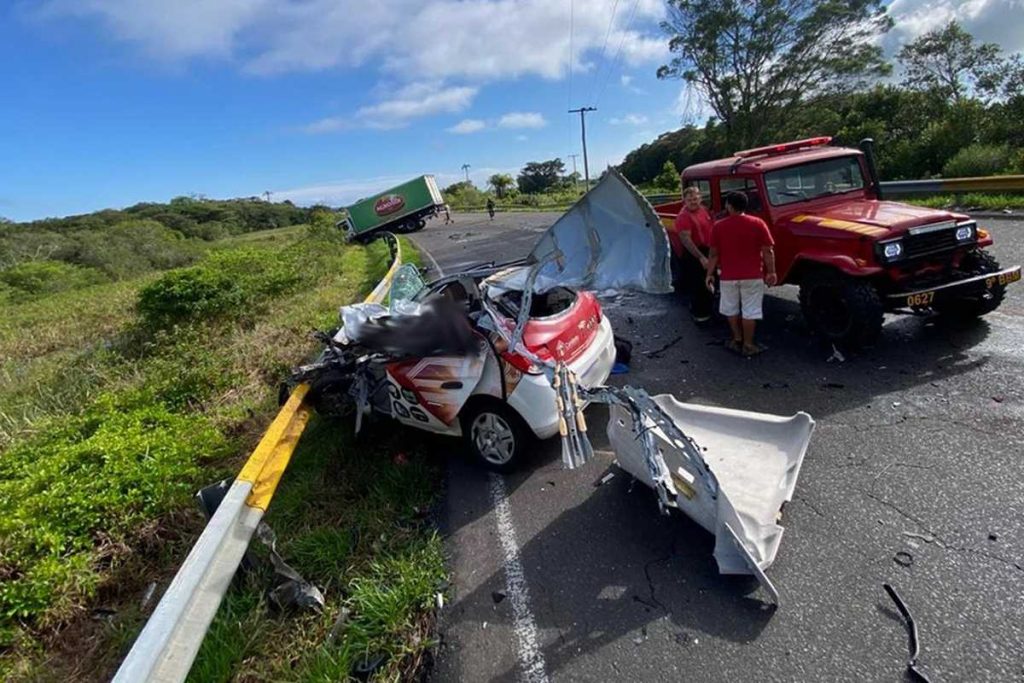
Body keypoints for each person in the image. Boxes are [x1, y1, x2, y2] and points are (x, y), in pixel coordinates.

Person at [704, 191, 777, 357]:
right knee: (750, 310)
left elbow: (714, 254)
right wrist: (771, 271)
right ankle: (749, 344)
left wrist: (709, 274)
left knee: (731, 309)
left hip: (728, 276)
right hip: (752, 275)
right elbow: (768, 250)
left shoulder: (719, 226)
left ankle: (736, 339)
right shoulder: (758, 223)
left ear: (729, 206)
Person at [672, 186, 714, 322]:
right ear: (684, 200)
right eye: (689, 200)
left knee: (710, 280)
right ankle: (700, 315)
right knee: (698, 284)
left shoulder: (703, 210)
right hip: (694, 253)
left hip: (708, 249)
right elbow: (686, 240)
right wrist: (701, 257)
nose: (693, 202)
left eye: (695, 199)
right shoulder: (683, 217)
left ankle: (710, 308)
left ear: (700, 198)